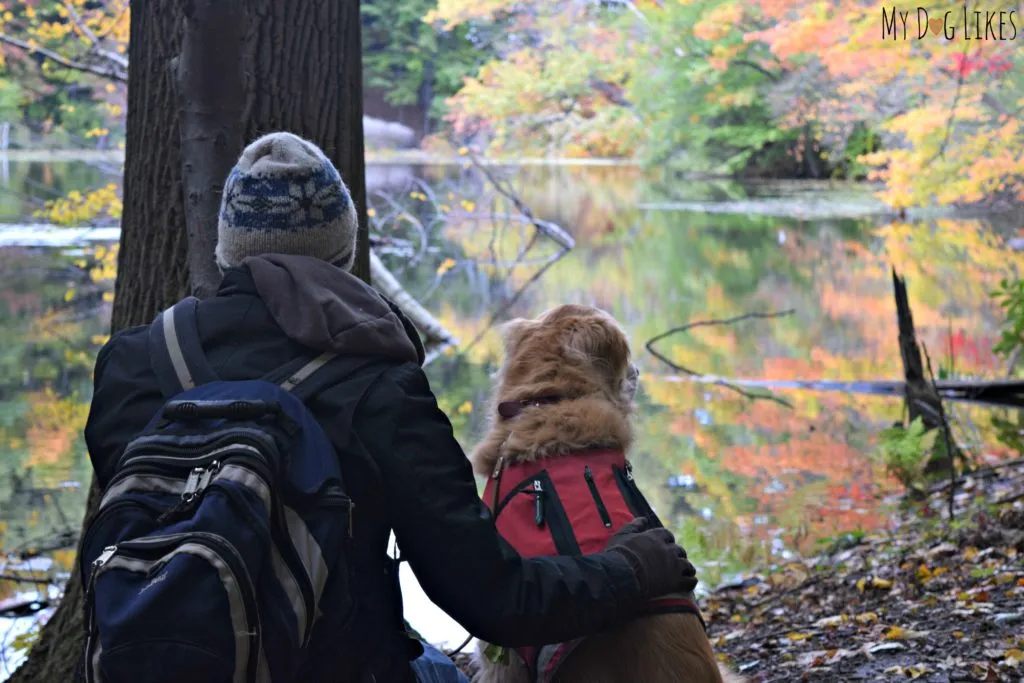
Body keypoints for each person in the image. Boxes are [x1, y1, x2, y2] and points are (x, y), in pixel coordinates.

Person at [84, 131, 700, 683]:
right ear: (344, 253)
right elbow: (495, 600)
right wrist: (632, 570)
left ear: (226, 251)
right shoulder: (379, 384)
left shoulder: (132, 364)